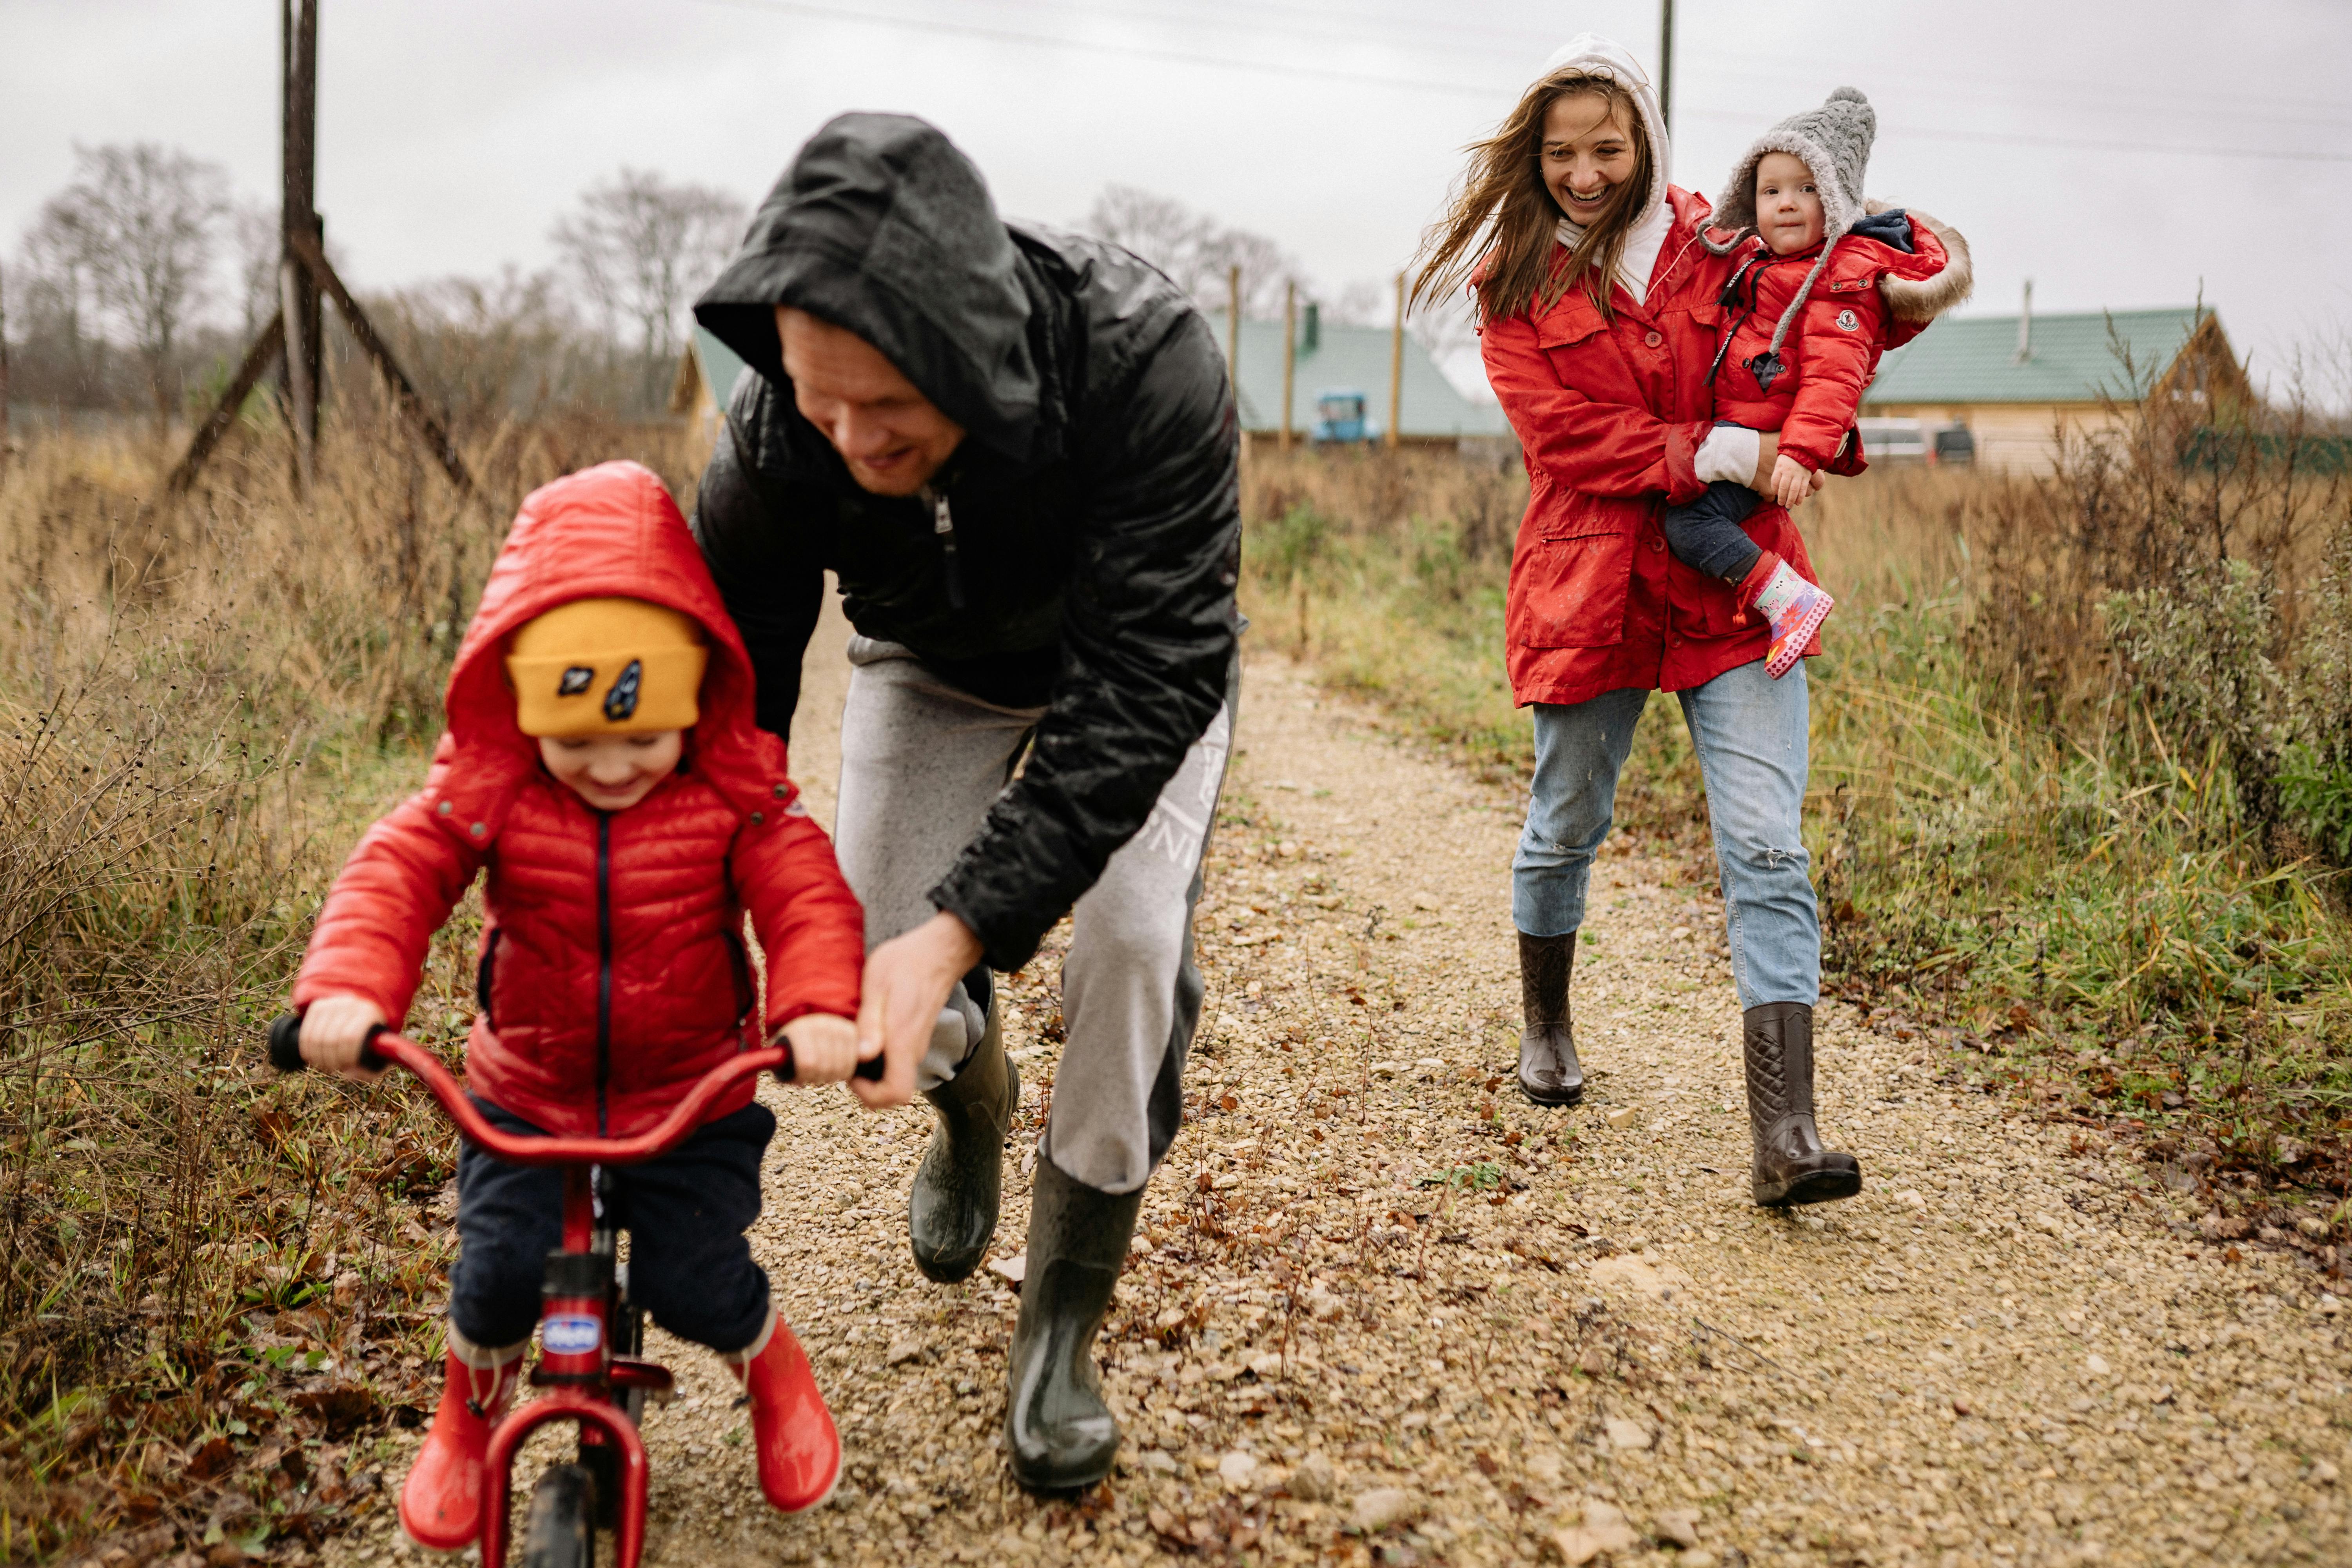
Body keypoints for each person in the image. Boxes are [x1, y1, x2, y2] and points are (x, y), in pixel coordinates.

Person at [689, 113, 1240, 1492]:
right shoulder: (780, 428)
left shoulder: (1148, 361)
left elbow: (1143, 690)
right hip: (926, 664)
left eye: (887, 406)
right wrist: (687, 921)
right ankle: (970, 1105)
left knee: (1126, 945)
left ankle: (1061, 1322)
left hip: (1128, 674)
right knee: (872, 954)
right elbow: (733, 707)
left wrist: (964, 927)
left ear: (968, 353)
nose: (850, 436)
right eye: (824, 403)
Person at [1413, 34, 1964, 1205]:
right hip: (1594, 584)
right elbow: (1563, 441)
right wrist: (1714, 448)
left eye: (1607, 147)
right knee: (1565, 821)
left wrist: (1908, 255)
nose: (1584, 172)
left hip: (1734, 583)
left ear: (1647, 141)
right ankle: (1547, 1024)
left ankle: (1787, 1136)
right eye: (1561, 152)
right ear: (1536, 155)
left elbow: (1835, 288)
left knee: (1767, 845)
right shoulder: (1512, 286)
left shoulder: (1721, 240)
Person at [288, 461, 868, 1544]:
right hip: (529, 1095)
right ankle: (467, 1417)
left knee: (700, 1280)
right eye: (579, 739)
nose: (613, 766)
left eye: (642, 737)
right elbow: (397, 873)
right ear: (522, 700)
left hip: (692, 1094)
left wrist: (820, 1007)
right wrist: (349, 990)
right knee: (498, 1278)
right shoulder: (491, 784)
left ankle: (771, 1364)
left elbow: (802, 888)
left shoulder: (730, 789)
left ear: (691, 691)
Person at [1661, 86, 1967, 677]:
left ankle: (1788, 599)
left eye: (1807, 189)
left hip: (1774, 443)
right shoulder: (1768, 266)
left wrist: (1799, 455)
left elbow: (1835, 377)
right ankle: (1778, 596)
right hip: (1744, 430)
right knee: (1684, 512)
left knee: (1688, 523)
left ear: (1836, 199)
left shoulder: (1839, 280)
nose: (1787, 203)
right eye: (1772, 191)